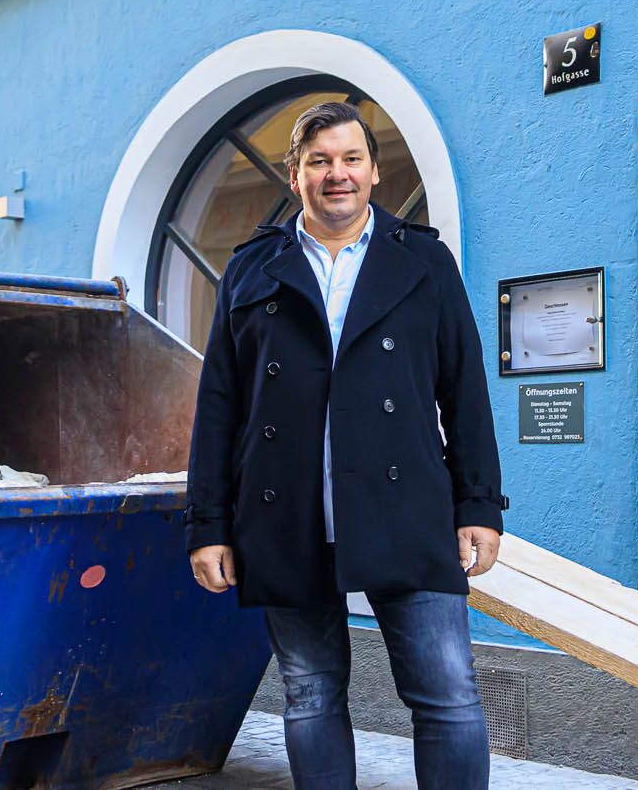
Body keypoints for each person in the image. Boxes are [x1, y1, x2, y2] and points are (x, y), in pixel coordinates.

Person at [185, 99, 508, 790]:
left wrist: (479, 504)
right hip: (286, 512)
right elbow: (218, 407)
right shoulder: (250, 270)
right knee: (309, 693)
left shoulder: (424, 261)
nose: (338, 174)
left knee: (447, 693)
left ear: (375, 171)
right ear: (294, 173)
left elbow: (465, 391)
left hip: (408, 506)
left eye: (351, 159)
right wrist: (207, 524)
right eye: (320, 161)